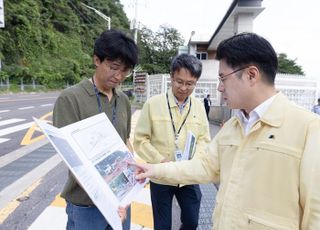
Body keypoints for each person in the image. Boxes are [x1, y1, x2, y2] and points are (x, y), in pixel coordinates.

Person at [132, 33, 320, 229]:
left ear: (251, 75)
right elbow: (205, 167)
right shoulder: (233, 126)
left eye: (223, 78)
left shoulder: (309, 129)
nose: (220, 88)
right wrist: (155, 169)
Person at [53, 29, 138, 230]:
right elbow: (74, 160)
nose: (119, 76)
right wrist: (109, 198)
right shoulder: (70, 99)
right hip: (86, 204)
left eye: (125, 70)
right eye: (114, 67)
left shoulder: (123, 100)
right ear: (96, 60)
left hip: (121, 200)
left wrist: (131, 183)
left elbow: (125, 142)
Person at [133, 54, 211, 230]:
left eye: (190, 83)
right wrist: (161, 161)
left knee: (192, 221)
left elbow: (204, 139)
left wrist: (193, 163)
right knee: (162, 226)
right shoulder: (153, 104)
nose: (184, 87)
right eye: (179, 81)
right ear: (171, 77)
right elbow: (140, 140)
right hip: (160, 176)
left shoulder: (198, 106)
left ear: (196, 82)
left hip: (188, 176)